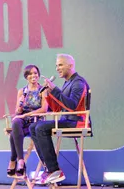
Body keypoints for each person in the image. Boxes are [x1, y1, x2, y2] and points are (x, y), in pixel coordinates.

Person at [29, 54, 90, 184]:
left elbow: (72, 106)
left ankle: (55, 170)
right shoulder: (68, 83)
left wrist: (55, 89)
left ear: (70, 65)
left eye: (60, 65)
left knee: (40, 127)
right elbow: (58, 109)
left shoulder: (78, 82)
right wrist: (48, 95)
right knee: (33, 127)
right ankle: (48, 168)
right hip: (67, 120)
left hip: (77, 122)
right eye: (56, 65)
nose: (57, 68)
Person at [7, 64, 48, 177]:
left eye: (35, 73)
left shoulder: (42, 90)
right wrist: (20, 103)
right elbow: (18, 112)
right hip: (23, 121)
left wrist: (26, 115)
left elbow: (44, 109)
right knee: (16, 121)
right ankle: (21, 160)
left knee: (12, 135)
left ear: (38, 75)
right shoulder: (22, 91)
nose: (33, 75)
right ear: (26, 77)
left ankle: (13, 160)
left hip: (36, 121)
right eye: (30, 74)